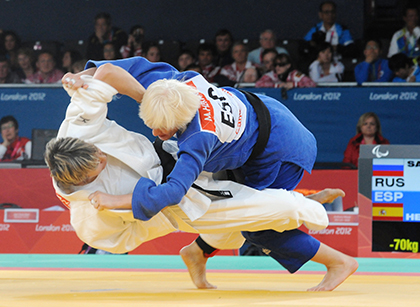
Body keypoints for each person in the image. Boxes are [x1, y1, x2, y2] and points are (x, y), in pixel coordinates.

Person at [64, 56, 358, 291]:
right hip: (264, 115)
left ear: (181, 125)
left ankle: (337, 262)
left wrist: (120, 201)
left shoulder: (198, 139)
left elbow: (173, 192)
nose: (154, 133)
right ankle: (199, 251)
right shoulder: (172, 86)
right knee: (224, 198)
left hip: (279, 151)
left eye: (161, 128)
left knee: (254, 222)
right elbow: (120, 68)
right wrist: (83, 78)